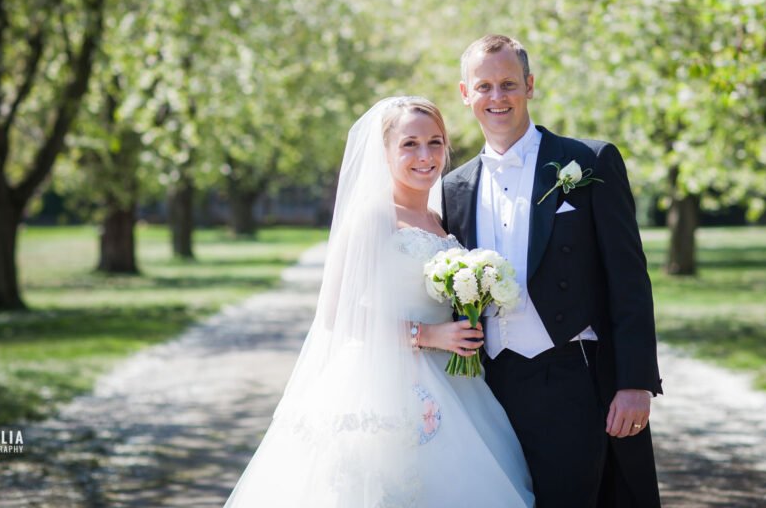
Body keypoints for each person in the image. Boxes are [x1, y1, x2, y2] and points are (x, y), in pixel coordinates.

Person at [223, 96, 534, 508]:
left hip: (456, 382)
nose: (425, 156)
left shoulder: (441, 218)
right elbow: (338, 313)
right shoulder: (373, 217)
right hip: (384, 380)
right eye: (409, 144)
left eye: (435, 142)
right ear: (384, 151)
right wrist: (428, 335)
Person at [441, 35, 662, 508]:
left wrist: (635, 382)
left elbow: (629, 280)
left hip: (572, 378)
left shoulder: (588, 161)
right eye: (483, 87)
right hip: (486, 385)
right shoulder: (451, 189)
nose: (496, 98)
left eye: (508, 84)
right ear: (465, 94)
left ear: (530, 85)